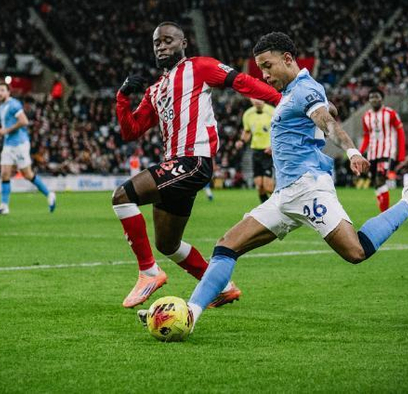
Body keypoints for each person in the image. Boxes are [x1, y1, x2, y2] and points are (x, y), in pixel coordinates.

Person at [169, 32, 408, 335]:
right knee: (226, 245)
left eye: (267, 66)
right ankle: (190, 314)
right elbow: (323, 111)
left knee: (356, 251)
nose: (265, 75)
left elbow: (326, 121)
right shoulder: (293, 93)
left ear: (288, 59)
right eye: (260, 69)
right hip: (284, 196)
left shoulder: (304, 88)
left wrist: (352, 150)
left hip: (309, 189)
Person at [113, 21, 282, 308]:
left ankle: (148, 272)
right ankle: (222, 287)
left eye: (168, 40)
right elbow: (131, 131)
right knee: (167, 244)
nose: (161, 46)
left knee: (122, 197)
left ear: (183, 43)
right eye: (157, 42)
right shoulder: (155, 90)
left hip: (193, 160)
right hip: (176, 166)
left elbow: (242, 81)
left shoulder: (200, 67)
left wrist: (283, 101)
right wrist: (122, 98)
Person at [0, 83, 56, 216]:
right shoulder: (1, 107)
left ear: (8, 92)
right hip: (8, 144)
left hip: (19, 144)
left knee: (27, 174)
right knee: (4, 173)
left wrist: (6, 131)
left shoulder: (14, 104)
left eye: (2, 90)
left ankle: (49, 194)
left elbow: (24, 121)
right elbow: (7, 126)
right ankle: (4, 206)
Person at [360, 88, 406, 212]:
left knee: (380, 180)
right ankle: (384, 211)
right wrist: (360, 152)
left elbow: (400, 132)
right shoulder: (366, 116)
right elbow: (366, 136)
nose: (374, 99)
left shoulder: (390, 113)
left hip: (387, 152)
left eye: (377, 97)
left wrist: (401, 155)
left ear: (382, 99)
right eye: (371, 97)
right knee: (375, 183)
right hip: (372, 153)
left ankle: (385, 214)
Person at [238, 98, 276, 203]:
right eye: (254, 98)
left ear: (264, 99)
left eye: (259, 98)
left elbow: (279, 130)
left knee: (268, 187)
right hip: (256, 151)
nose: (257, 100)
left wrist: (273, 146)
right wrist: (241, 141)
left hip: (269, 152)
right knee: (259, 185)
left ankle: (280, 204)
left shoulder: (272, 111)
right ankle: (266, 208)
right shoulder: (248, 114)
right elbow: (247, 131)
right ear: (250, 99)